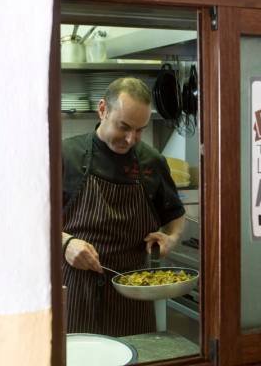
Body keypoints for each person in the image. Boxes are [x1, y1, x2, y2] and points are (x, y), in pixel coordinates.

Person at [61, 77, 186, 337]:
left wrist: (171, 238)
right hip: (75, 290)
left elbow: (175, 214)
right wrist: (65, 243)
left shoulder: (152, 161)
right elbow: (31, 223)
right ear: (103, 109)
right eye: (124, 127)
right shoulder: (65, 155)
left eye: (140, 130)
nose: (131, 139)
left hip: (133, 290)